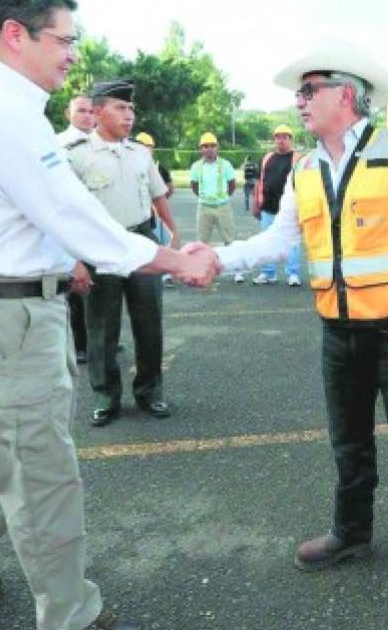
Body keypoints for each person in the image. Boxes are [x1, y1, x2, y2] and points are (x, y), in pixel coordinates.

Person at [0, 0, 217, 630]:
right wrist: (170, 258)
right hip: (5, 320)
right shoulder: (0, 110)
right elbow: (76, 215)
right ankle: (72, 622)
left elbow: (21, 215)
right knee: (44, 480)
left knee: (19, 453)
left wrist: (63, 259)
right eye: (63, 40)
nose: (73, 55)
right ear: (16, 34)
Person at [212, 39, 388, 605]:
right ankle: (352, 535)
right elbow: (280, 240)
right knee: (348, 444)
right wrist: (217, 259)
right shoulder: (305, 167)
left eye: (308, 91)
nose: (299, 102)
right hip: (339, 331)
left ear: (345, 95)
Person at [66, 81, 179, 427]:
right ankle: (106, 396)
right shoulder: (77, 155)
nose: (129, 116)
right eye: (120, 108)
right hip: (99, 248)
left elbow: (159, 195)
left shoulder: (140, 153)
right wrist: (75, 260)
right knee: (101, 327)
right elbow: (63, 212)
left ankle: (150, 392)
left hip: (142, 243)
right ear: (98, 111)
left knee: (149, 323)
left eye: (131, 110)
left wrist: (172, 234)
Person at [55, 95, 95, 364]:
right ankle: (80, 344)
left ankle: (103, 341)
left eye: (92, 111)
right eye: (81, 110)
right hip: (73, 225)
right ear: (68, 114)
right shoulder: (58, 144)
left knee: (103, 290)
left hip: (98, 225)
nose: (87, 116)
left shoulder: (103, 143)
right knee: (77, 291)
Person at [252, 124, 304, 285]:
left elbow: (305, 184)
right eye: (278, 137)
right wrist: (256, 203)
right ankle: (268, 273)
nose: (281, 140)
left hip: (290, 208)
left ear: (290, 139)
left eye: (285, 136)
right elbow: (259, 182)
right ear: (274, 139)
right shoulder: (267, 158)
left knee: (293, 242)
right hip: (268, 207)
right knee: (267, 241)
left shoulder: (299, 159)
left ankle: (293, 274)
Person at [190, 132, 243, 283]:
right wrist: (204, 197)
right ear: (201, 149)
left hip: (222, 206)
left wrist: (223, 198)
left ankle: (237, 271)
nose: (209, 149)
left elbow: (232, 184)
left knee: (230, 239)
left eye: (212, 146)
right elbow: (194, 185)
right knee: (202, 242)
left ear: (217, 148)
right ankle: (201, 270)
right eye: (205, 146)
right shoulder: (196, 166)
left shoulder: (225, 164)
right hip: (204, 207)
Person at [134, 132, 176, 287]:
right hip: (139, 215)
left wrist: (160, 201)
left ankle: (166, 275)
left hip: (156, 213)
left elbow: (170, 188)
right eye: (141, 146)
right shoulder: (128, 165)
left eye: (148, 147)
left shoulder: (158, 167)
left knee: (163, 243)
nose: (145, 149)